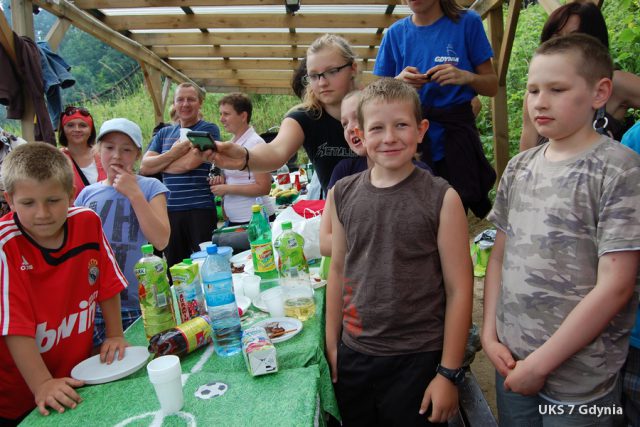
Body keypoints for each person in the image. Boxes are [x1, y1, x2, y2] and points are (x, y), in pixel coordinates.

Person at [482, 34, 640, 426]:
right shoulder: (519, 167)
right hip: (511, 362)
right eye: (533, 89)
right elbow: (498, 257)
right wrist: (489, 334)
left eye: (557, 89)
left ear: (599, 92)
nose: (539, 101)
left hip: (581, 380)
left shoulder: (619, 169)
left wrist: (540, 365)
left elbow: (616, 286)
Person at [326, 78, 473, 426]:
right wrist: (332, 343)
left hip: (419, 358)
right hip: (355, 354)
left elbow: (460, 288)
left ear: (421, 130)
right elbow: (338, 269)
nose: (389, 137)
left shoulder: (442, 198)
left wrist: (448, 373)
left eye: (401, 125)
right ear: (360, 135)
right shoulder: (342, 193)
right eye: (377, 128)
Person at [0, 143, 129, 425]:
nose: (42, 213)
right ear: (9, 200)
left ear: (71, 195)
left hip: (77, 375)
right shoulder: (5, 245)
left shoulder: (88, 222)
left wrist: (115, 335)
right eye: (28, 203)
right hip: (21, 394)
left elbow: (107, 284)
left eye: (53, 200)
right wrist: (42, 383)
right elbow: (14, 328)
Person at [374, 0, 497, 217]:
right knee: (416, 213)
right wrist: (398, 83)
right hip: (412, 143)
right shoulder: (395, 34)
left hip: (457, 139)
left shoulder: (467, 22)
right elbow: (374, 100)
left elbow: (492, 86)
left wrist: (466, 77)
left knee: (455, 210)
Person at [206, 34, 359, 197]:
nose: (322, 83)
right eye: (314, 76)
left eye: (332, 71)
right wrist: (244, 157)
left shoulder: (374, 108)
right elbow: (276, 150)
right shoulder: (304, 118)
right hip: (339, 210)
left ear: (353, 68)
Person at [75, 118, 170, 344]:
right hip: (96, 306)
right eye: (109, 148)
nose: (117, 156)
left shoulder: (150, 187)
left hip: (141, 303)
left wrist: (134, 194)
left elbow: (161, 240)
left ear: (137, 155)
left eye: (126, 149)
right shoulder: (87, 194)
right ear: (97, 151)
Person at [519, 0, 640, 151]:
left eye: (575, 38)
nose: (564, 45)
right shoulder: (535, 95)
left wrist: (631, 145)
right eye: (556, 38)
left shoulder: (615, 83)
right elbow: (526, 154)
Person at [140, 83, 221, 267]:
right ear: (174, 104)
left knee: (208, 265)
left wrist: (160, 164)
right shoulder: (164, 133)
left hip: (200, 209)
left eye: (191, 99)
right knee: (176, 268)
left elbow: (189, 163)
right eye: (180, 99)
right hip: (169, 211)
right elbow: (145, 167)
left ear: (200, 103)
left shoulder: (208, 130)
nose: (185, 104)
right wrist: (175, 152)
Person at [210, 93, 274, 226]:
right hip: (236, 218)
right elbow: (234, 180)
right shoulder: (232, 142)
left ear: (243, 116)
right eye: (221, 114)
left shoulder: (256, 143)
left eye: (226, 114)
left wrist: (227, 189)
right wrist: (222, 181)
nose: (221, 119)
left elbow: (264, 187)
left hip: (255, 219)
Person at [57, 105, 107, 198]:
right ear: (63, 130)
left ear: (91, 130)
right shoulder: (57, 159)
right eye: (70, 125)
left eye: (82, 125)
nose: (77, 129)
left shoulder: (104, 154)